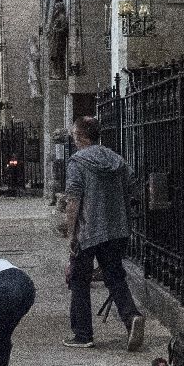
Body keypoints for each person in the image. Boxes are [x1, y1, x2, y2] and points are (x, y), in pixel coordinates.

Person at [61, 117, 142, 349]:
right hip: (117, 229)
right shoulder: (116, 159)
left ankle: (83, 334)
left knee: (79, 280)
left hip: (88, 230)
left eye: (74, 136)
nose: (73, 140)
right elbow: (133, 186)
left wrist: (71, 234)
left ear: (81, 136)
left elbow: (73, 200)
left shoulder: (77, 162)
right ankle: (132, 317)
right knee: (115, 276)